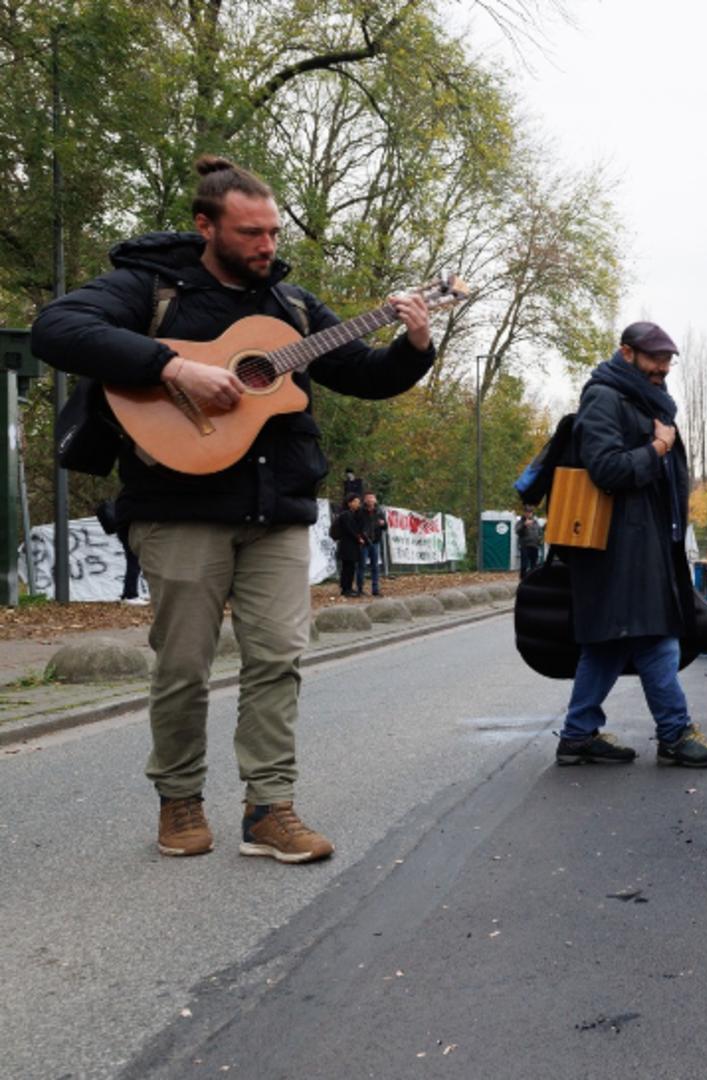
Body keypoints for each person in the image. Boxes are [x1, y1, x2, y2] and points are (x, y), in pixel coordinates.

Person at [29, 156, 435, 863]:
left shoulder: (294, 309)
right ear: (204, 226)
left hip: (277, 511)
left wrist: (416, 344)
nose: (267, 246)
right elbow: (57, 328)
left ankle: (269, 808)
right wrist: (172, 366)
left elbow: (366, 376)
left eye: (273, 232)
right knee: (183, 665)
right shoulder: (151, 289)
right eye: (251, 233)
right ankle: (179, 799)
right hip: (178, 504)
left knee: (279, 659)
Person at [557, 321, 707, 768]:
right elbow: (605, 469)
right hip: (618, 546)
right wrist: (656, 447)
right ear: (627, 353)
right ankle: (674, 732)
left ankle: (577, 735)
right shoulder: (603, 397)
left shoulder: (640, 398)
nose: (663, 368)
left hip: (639, 540)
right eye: (655, 359)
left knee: (610, 643)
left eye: (668, 361)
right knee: (656, 638)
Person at [332, 495, 364, 597]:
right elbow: (349, 529)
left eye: (358, 502)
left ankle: (349, 587)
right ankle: (345, 589)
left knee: (350, 567)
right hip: (347, 545)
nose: (358, 504)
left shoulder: (353, 514)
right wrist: (358, 538)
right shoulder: (346, 514)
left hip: (351, 544)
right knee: (347, 567)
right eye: (355, 501)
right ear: (349, 503)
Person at [359, 492, 386, 596]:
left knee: (375, 566)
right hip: (363, 542)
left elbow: (385, 527)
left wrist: (383, 524)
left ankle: (375, 589)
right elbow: (357, 525)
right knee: (361, 566)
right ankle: (360, 589)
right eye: (368, 498)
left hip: (375, 542)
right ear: (364, 500)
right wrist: (360, 537)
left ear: (375, 500)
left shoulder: (379, 511)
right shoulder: (360, 511)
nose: (370, 500)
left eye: (372, 498)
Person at [517, 506, 543, 578]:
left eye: (530, 512)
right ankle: (522, 578)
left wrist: (540, 539)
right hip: (525, 546)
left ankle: (532, 578)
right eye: (527, 512)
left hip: (534, 546)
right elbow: (517, 531)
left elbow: (540, 532)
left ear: (532, 513)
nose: (528, 514)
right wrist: (524, 525)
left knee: (534, 564)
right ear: (524, 513)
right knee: (524, 564)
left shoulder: (535, 522)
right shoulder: (521, 522)